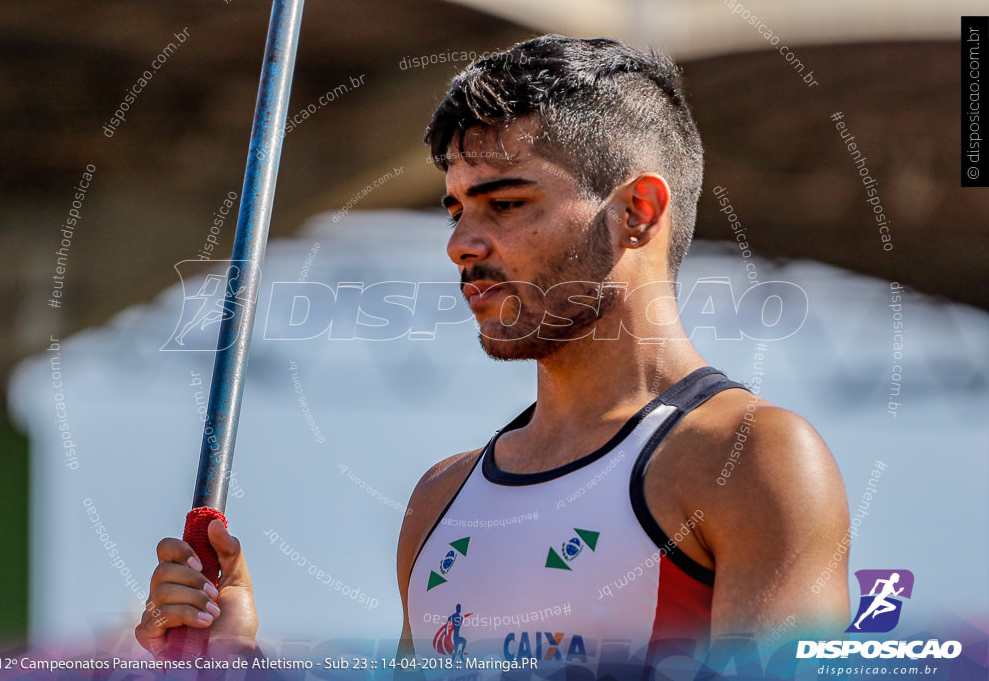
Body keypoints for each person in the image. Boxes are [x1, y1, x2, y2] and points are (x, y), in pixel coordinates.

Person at [135, 34, 850, 674]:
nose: (460, 245)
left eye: (504, 204)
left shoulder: (752, 458)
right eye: (456, 209)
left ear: (638, 211)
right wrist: (234, 660)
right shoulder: (440, 500)